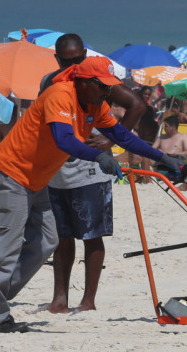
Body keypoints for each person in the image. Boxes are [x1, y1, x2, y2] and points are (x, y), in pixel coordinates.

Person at [0, 56, 182, 331]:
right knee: (3, 247)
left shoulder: (95, 103)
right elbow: (64, 139)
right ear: (83, 82)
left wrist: (161, 157)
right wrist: (98, 157)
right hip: (10, 175)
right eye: (103, 87)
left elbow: (122, 136)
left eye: (109, 88)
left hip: (37, 179)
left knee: (46, 241)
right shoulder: (60, 94)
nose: (108, 93)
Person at [41, 35, 149, 313]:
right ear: (57, 60)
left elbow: (137, 105)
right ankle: (59, 300)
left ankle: (88, 301)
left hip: (91, 169)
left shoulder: (97, 80)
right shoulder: (49, 82)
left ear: (85, 56)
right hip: (59, 169)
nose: (73, 65)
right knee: (61, 236)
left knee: (91, 234)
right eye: (67, 61)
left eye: (78, 60)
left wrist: (111, 141)